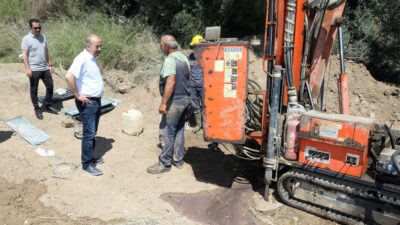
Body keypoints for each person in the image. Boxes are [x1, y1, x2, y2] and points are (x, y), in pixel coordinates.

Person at [148, 35, 191, 174]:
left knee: (168, 132)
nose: (160, 47)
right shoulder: (184, 58)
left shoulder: (170, 60)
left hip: (175, 101)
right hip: (186, 99)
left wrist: (163, 103)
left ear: (166, 46)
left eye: (161, 44)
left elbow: (171, 82)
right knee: (179, 130)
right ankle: (178, 160)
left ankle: (165, 163)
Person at [65, 34, 104, 176]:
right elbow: (69, 76)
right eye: (97, 46)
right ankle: (87, 164)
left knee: (92, 132)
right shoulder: (82, 58)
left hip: (95, 101)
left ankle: (91, 158)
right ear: (88, 46)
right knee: (89, 134)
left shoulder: (91, 58)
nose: (100, 49)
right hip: (88, 102)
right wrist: (77, 95)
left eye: (101, 45)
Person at [21, 18, 58, 120]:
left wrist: (50, 65)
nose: (38, 30)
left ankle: (46, 105)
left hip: (45, 67)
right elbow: (24, 55)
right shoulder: (26, 39)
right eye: (35, 28)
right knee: (34, 90)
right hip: (34, 69)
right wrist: (28, 69)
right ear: (31, 28)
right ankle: (37, 109)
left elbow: (46, 51)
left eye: (39, 28)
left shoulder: (43, 36)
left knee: (50, 86)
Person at [187, 35, 205, 132]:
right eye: (195, 47)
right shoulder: (189, 57)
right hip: (192, 86)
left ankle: (206, 126)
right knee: (195, 106)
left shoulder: (206, 57)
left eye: (198, 47)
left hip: (204, 86)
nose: (196, 49)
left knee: (206, 106)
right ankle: (198, 125)